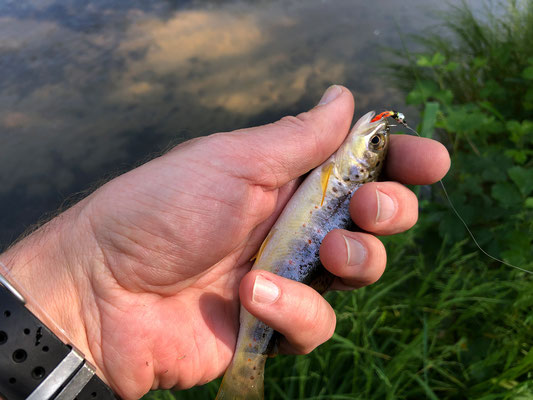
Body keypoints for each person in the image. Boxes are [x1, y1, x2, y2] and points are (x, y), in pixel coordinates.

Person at [0, 86, 450, 399]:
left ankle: (246, 369)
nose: (369, 140)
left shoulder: (343, 175)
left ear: (356, 169)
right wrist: (81, 290)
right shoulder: (333, 167)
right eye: (375, 144)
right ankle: (247, 366)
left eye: (370, 146)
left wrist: (79, 306)